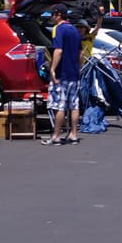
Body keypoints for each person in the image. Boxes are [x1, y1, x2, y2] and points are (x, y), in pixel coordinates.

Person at [43, 7, 82, 145]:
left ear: (59, 15)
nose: (52, 18)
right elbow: (80, 54)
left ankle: (56, 136)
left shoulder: (59, 29)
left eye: (53, 15)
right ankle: (73, 134)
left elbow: (58, 50)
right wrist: (79, 68)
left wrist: (52, 69)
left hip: (62, 74)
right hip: (74, 73)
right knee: (74, 105)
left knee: (59, 105)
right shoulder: (75, 30)